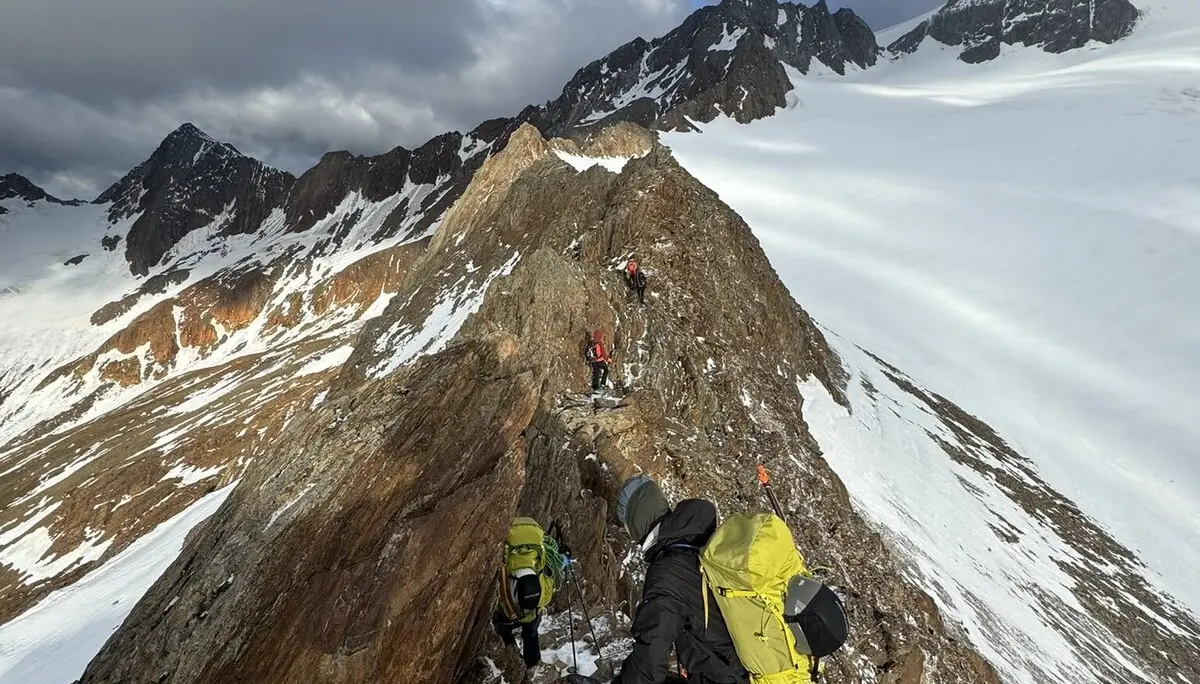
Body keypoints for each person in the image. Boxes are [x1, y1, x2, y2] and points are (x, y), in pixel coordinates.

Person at [610, 476, 748, 684]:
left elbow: (651, 655)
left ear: (637, 521)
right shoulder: (698, 547)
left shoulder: (668, 571)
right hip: (748, 671)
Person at [492, 517, 565, 668]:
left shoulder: (505, 550)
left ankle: (512, 664)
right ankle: (533, 666)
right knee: (531, 635)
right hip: (533, 609)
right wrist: (566, 557)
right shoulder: (540, 551)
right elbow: (555, 567)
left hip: (507, 607)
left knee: (505, 634)